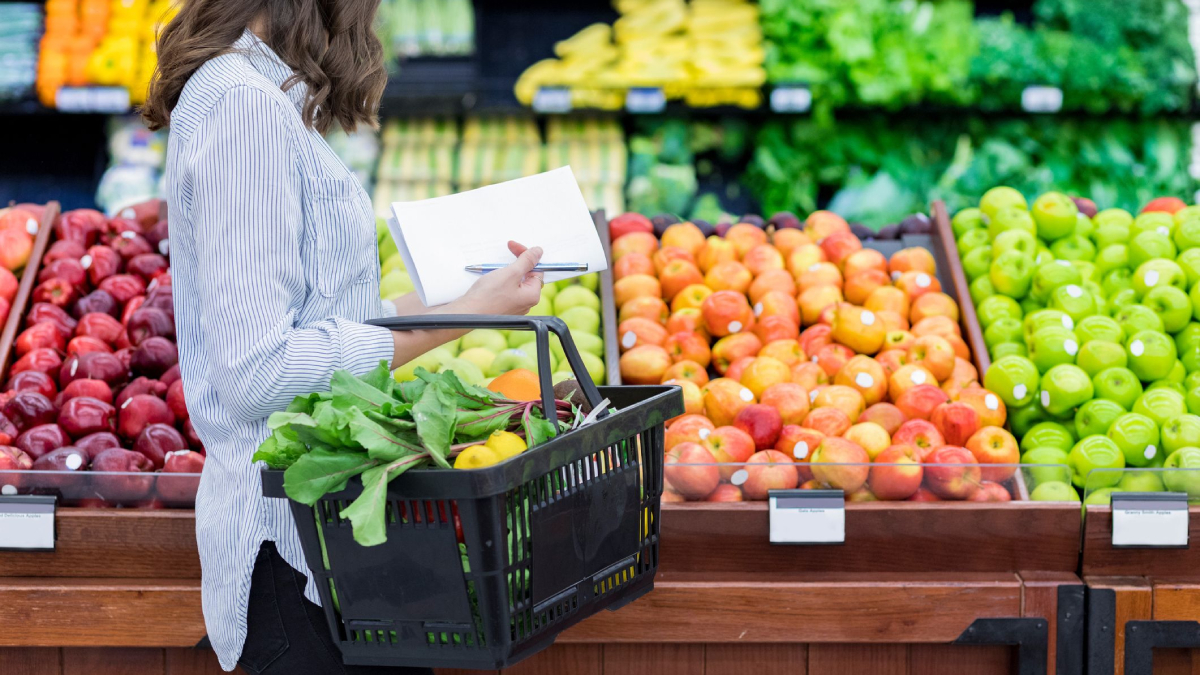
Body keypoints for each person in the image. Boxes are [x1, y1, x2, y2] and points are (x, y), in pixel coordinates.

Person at [142, 2, 544, 673]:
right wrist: (458, 318)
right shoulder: (244, 108)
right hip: (293, 555)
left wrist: (469, 300)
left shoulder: (256, 93)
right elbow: (259, 371)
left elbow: (319, 318)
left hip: (333, 544)